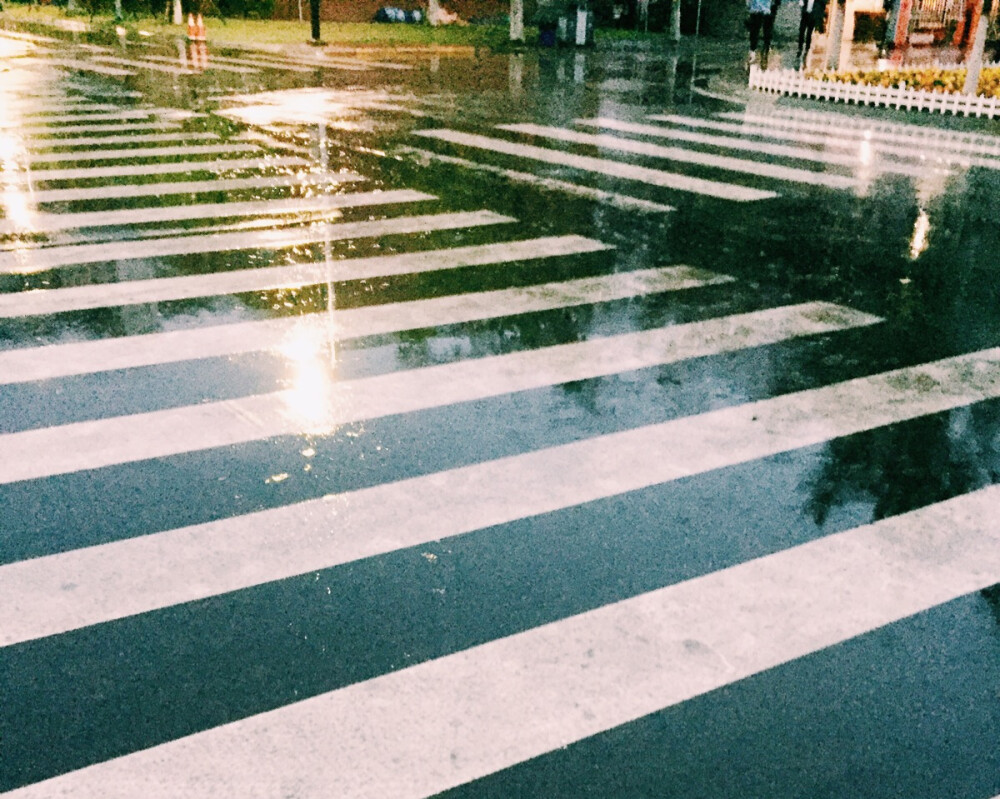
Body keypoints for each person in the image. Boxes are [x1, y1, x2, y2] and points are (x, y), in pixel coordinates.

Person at [747, 0, 781, 68]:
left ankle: (757, 50)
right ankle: (764, 49)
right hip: (763, 7)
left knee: (757, 29)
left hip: (758, 8)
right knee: (764, 29)